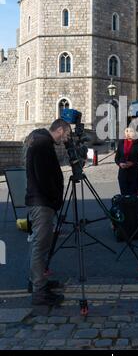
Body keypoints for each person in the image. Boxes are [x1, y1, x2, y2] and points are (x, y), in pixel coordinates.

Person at [25, 119, 71, 306]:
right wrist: (53, 198)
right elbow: (43, 176)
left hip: (42, 201)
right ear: (59, 129)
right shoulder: (43, 144)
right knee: (40, 244)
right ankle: (39, 291)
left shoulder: (42, 142)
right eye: (67, 134)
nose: (67, 138)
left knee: (41, 244)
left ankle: (37, 281)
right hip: (41, 202)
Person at [115, 127, 138, 196]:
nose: (128, 133)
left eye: (130, 131)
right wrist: (120, 163)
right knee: (124, 196)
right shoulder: (121, 142)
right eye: (126, 131)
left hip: (134, 174)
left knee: (133, 196)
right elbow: (116, 158)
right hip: (122, 174)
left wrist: (133, 164)